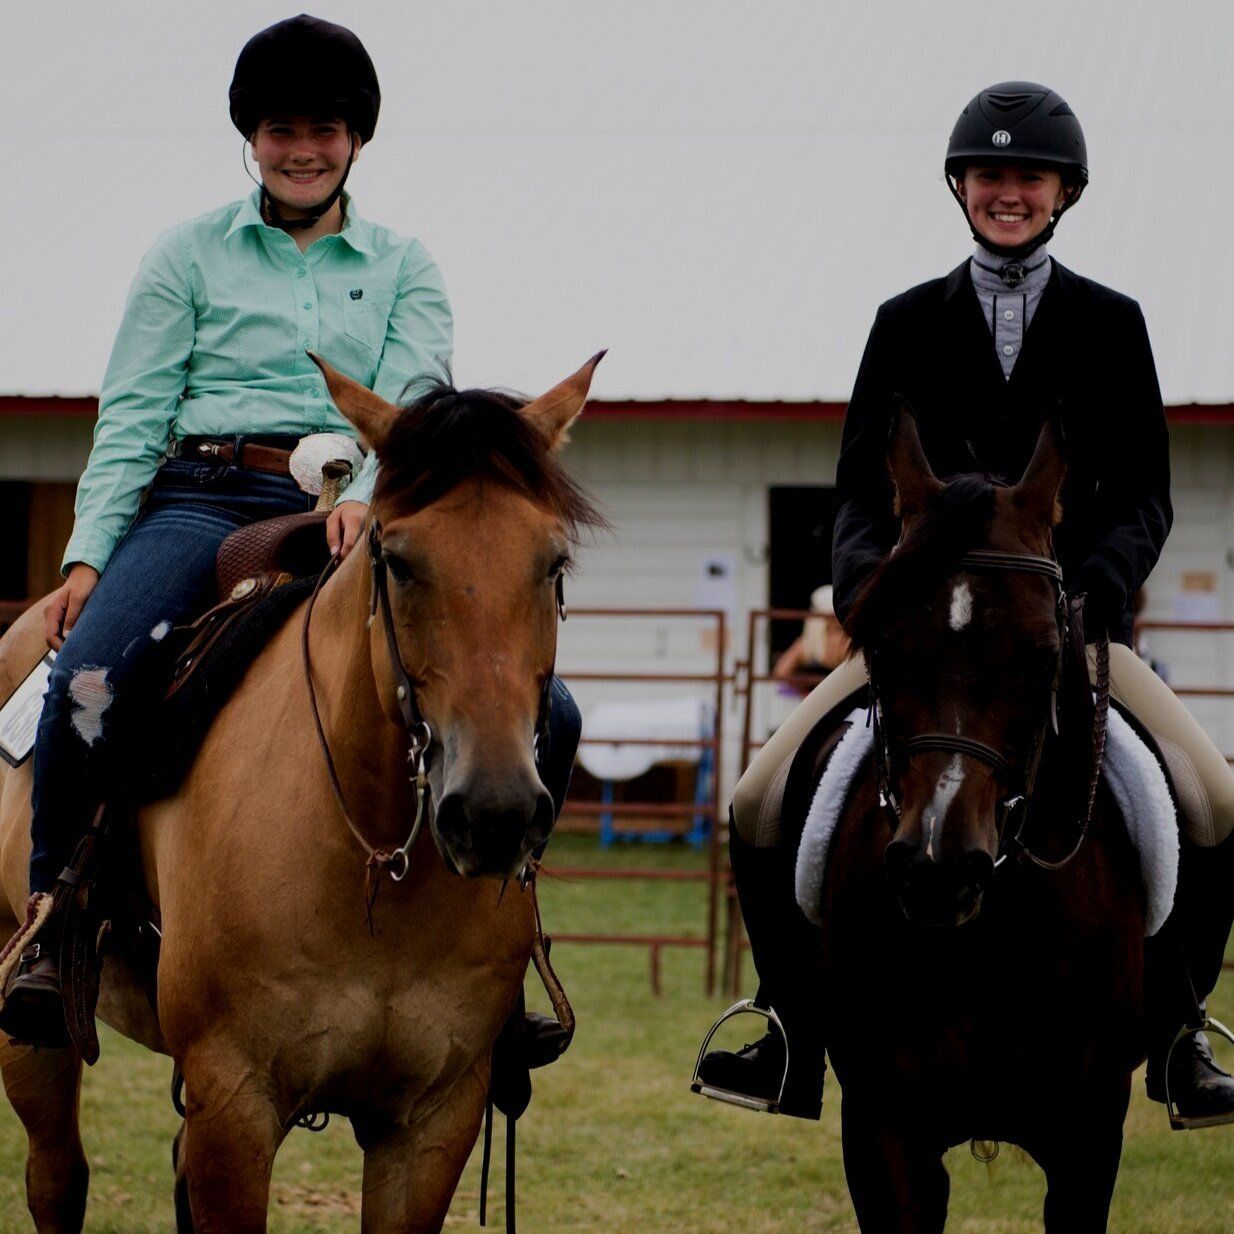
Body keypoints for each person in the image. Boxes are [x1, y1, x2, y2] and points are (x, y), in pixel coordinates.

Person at [0, 14, 582, 1047]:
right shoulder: (184, 255)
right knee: (86, 683)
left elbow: (411, 399)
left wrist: (366, 484)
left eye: (323, 127)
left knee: (551, 708)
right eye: (279, 128)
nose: (301, 146)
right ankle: (56, 923)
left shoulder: (405, 264)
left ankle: (500, 950)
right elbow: (134, 409)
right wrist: (90, 553)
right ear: (250, 138)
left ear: (356, 138)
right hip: (200, 495)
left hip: (359, 500)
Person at [698, 81, 1234, 1127]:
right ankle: (791, 1032)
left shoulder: (1111, 323)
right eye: (989, 175)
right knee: (762, 796)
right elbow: (860, 485)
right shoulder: (904, 321)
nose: (1007, 192)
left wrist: (1102, 586)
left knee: (1212, 797)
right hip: (922, 634)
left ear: (1062, 191)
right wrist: (864, 587)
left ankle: (1176, 1035)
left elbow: (1143, 493)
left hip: (1060, 633)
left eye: (1027, 176)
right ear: (959, 185)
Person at [769, 584, 850, 695]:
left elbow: (781, 672)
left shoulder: (849, 638)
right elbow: (781, 672)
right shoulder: (809, 642)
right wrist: (805, 693)